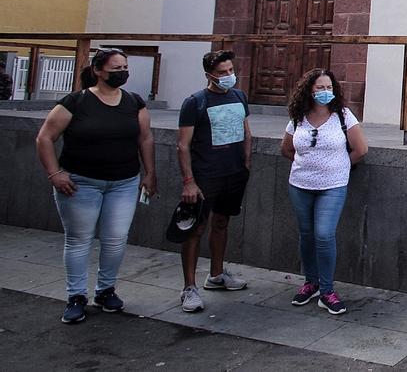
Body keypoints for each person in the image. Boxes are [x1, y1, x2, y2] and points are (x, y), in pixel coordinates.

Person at [35, 48, 157, 324]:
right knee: (79, 240)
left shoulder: (134, 102)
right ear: (99, 71)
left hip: (124, 182)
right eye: (116, 69)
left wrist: (150, 173)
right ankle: (76, 296)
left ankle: (106, 290)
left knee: (115, 240)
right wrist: (55, 174)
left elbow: (145, 139)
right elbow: (45, 137)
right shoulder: (76, 102)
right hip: (80, 183)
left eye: (125, 67)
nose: (122, 73)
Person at [281, 69, 368, 315]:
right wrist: (306, 165)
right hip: (300, 185)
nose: (325, 92)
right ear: (309, 90)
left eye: (328, 87)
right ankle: (311, 282)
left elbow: (361, 149)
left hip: (333, 186)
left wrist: (339, 166)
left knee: (324, 234)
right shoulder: (298, 117)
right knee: (306, 235)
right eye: (320, 87)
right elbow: (286, 149)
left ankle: (328, 290)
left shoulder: (343, 116)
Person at [176, 50, 253, 313]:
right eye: (222, 73)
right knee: (195, 228)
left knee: (221, 222)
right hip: (205, 175)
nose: (229, 76)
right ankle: (189, 287)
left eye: (231, 70)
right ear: (209, 75)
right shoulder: (195, 102)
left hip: (233, 173)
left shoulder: (239, 96)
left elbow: (245, 130)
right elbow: (183, 145)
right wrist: (189, 181)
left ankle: (217, 275)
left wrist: (246, 162)